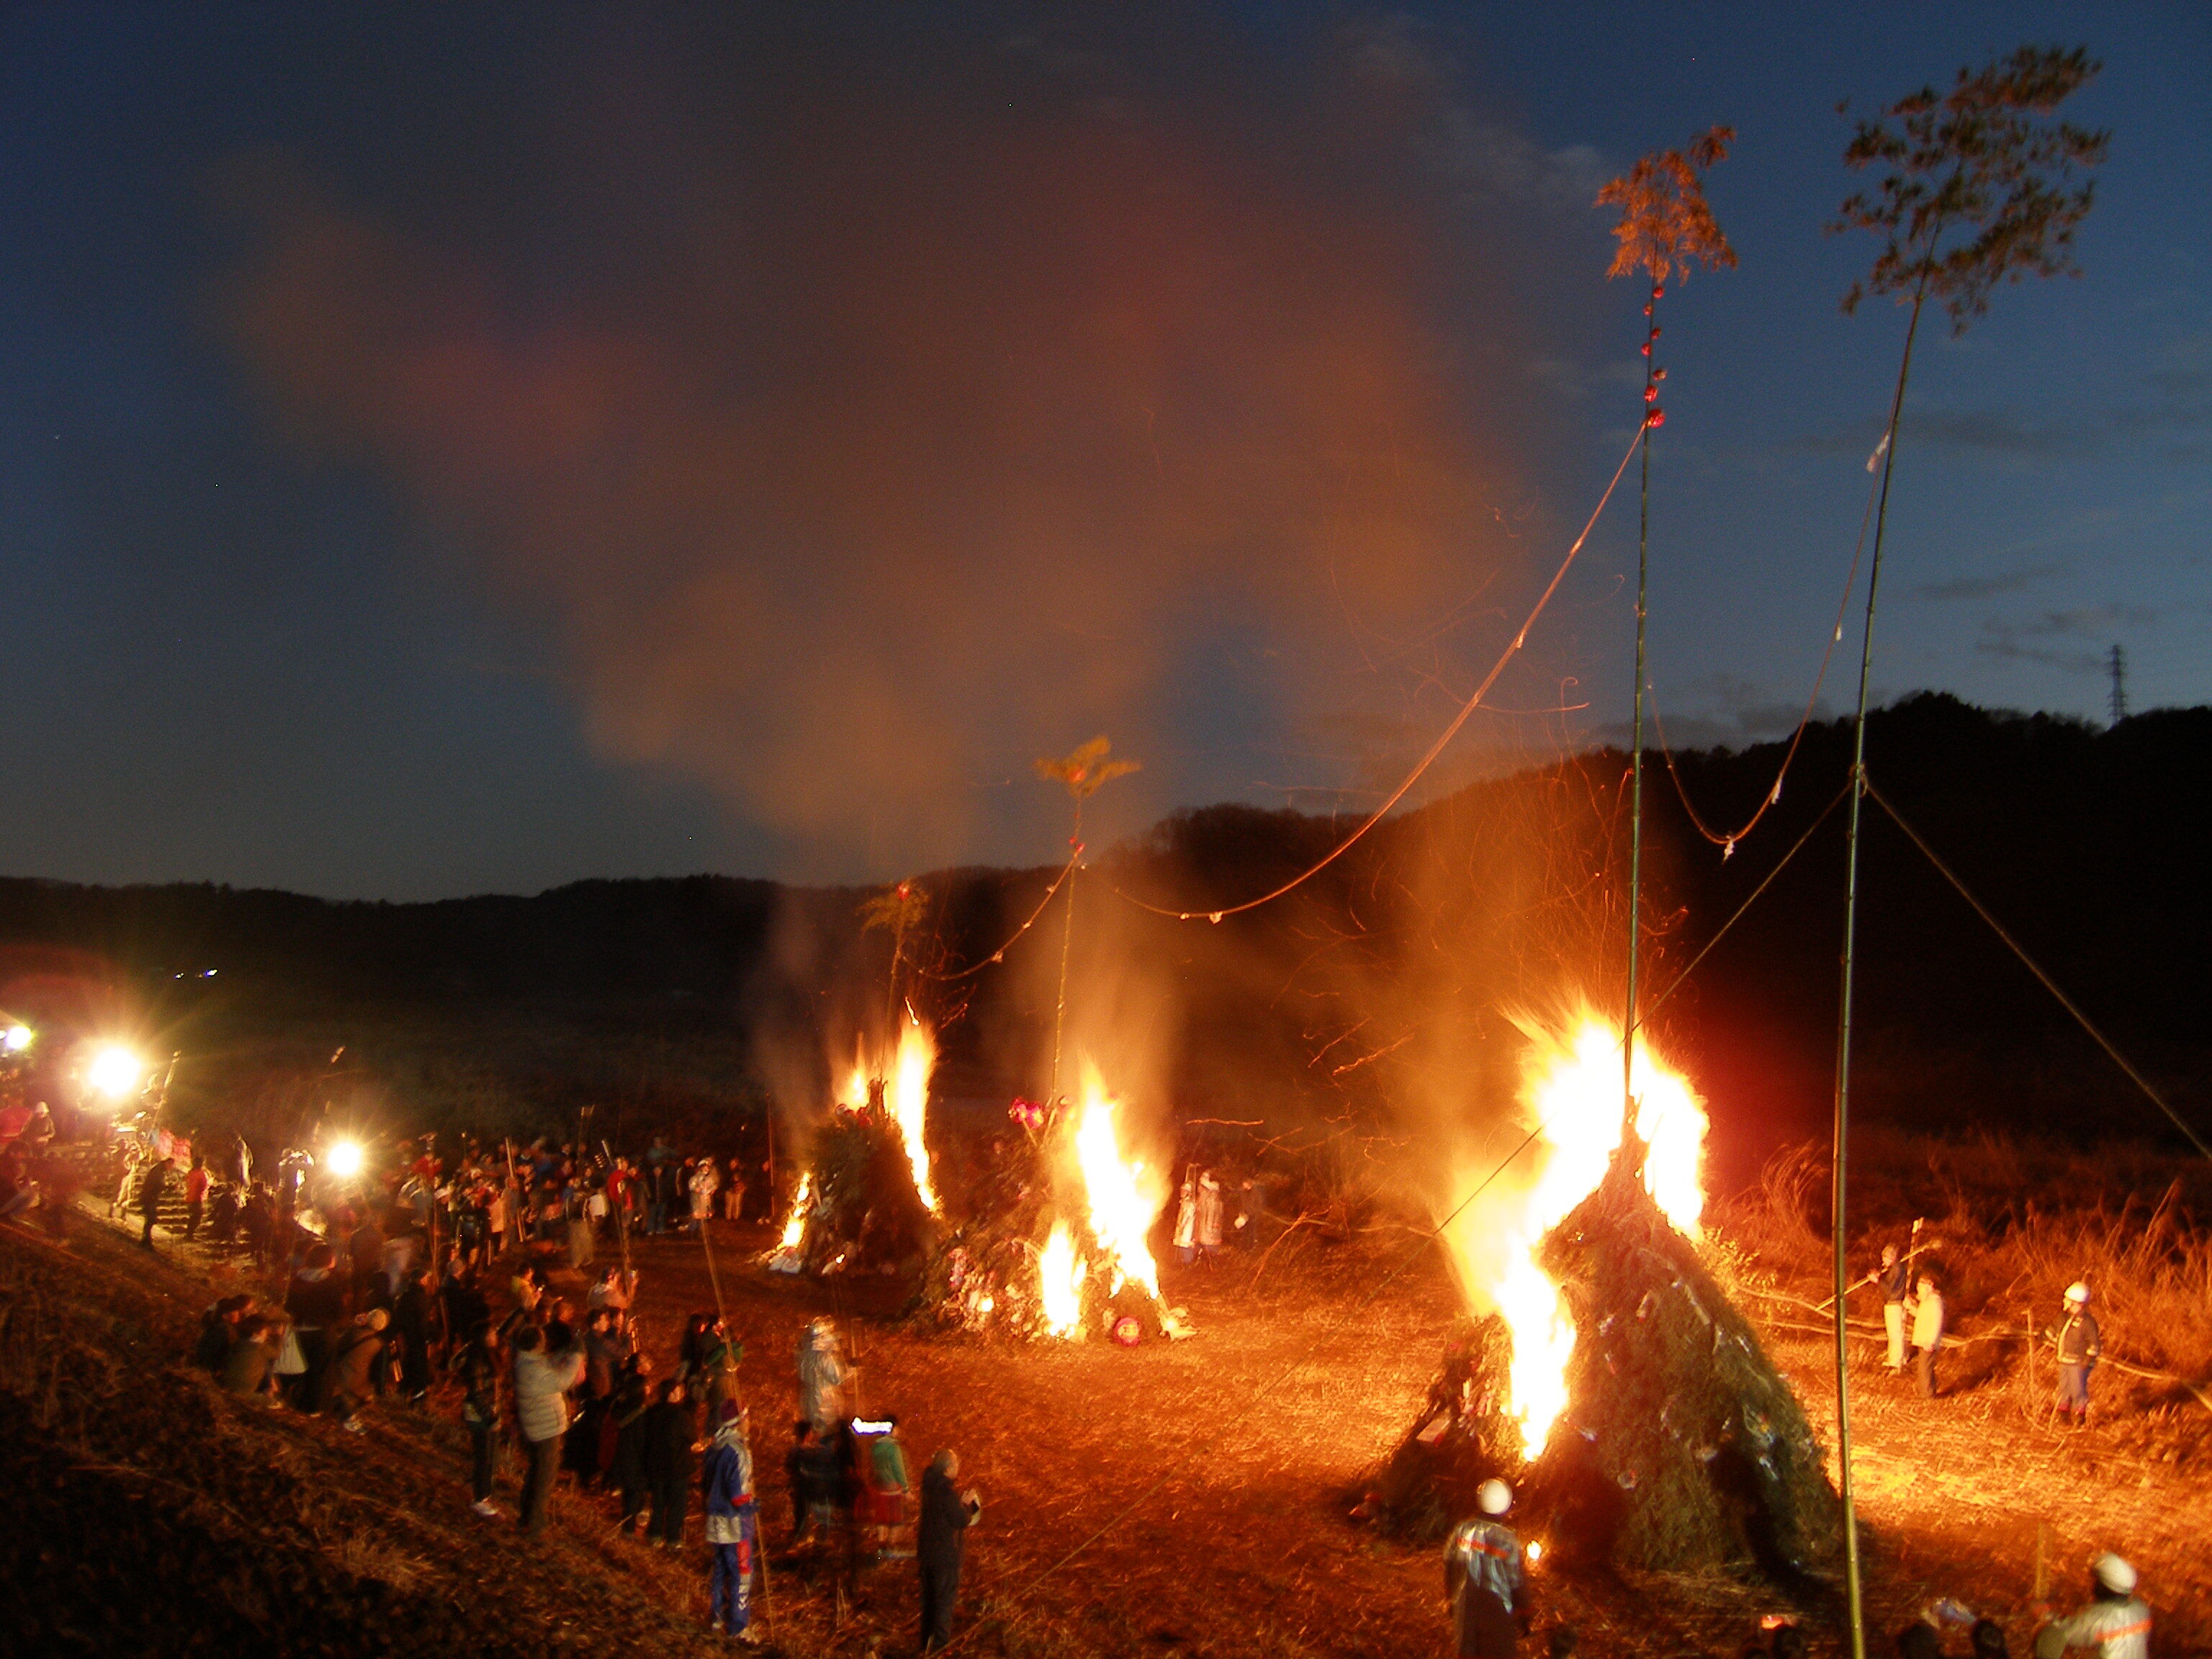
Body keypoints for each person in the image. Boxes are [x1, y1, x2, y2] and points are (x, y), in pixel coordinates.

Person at [513, 1323, 585, 1536]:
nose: (546, 1341)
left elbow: (549, 1363)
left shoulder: (527, 1361)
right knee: (544, 1480)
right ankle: (536, 1525)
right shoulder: (534, 1371)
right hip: (546, 1432)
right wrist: (577, 1356)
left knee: (535, 1474)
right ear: (536, 1344)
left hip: (537, 1428)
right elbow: (563, 1380)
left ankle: (525, 1518)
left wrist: (567, 1350)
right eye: (543, 1339)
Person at [1444, 1478, 1529, 1659]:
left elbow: (1449, 1565)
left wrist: (1451, 1599)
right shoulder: (1508, 1540)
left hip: (1465, 1609)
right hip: (1497, 1613)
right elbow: (1516, 1581)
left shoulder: (1461, 1531)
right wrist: (1526, 1611)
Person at [702, 1400, 761, 1642]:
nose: (749, 1423)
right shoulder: (738, 1451)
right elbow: (737, 1493)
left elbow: (706, 1484)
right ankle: (738, 1627)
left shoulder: (714, 1447)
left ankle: (716, 1617)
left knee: (720, 1570)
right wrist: (752, 1505)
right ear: (738, 1423)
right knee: (742, 1572)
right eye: (746, 1418)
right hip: (736, 1523)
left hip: (715, 1519)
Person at [917, 1448, 981, 1653]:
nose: (958, 1468)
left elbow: (944, 1514)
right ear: (947, 1470)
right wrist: (970, 1506)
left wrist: (958, 1503)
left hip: (927, 1555)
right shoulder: (946, 1493)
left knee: (929, 1603)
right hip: (944, 1558)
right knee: (944, 1604)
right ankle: (940, 1649)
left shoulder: (929, 1486)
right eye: (955, 1465)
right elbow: (961, 1520)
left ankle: (924, 1646)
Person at [2033, 1553, 2150, 1659]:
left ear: (2103, 1587)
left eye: (2096, 1581)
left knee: (2048, 1635)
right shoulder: (2141, 1609)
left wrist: (2044, 1615)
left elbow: (2061, 1631)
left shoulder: (2097, 1620)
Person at [456, 1321, 504, 1519]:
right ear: (484, 1337)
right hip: (480, 1415)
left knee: (489, 1456)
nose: (496, 1336)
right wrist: (490, 1416)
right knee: (483, 1457)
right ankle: (480, 1499)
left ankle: (485, 1494)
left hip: (489, 1412)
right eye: (492, 1334)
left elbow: (507, 1330)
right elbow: (476, 1393)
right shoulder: (476, 1360)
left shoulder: (489, 1355)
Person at [642, 1377, 696, 1550]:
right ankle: (673, 1538)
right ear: (672, 1393)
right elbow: (691, 1438)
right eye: (679, 1390)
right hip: (677, 1466)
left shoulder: (651, 1412)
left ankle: (654, 1535)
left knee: (658, 1501)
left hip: (656, 1464)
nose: (681, 1393)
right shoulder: (681, 1416)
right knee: (676, 1504)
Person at [323, 1308, 389, 1433]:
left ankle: (343, 1413)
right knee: (351, 1398)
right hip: (360, 1385)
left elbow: (337, 1347)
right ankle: (348, 1416)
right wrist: (379, 1390)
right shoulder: (379, 1345)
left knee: (342, 1396)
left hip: (341, 1378)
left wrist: (354, 1325)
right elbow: (380, 1371)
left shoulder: (353, 1333)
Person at [608, 1354, 653, 1535]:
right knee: (635, 1493)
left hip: (623, 1459)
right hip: (636, 1460)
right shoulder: (640, 1414)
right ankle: (628, 1529)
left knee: (629, 1493)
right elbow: (643, 1440)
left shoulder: (624, 1409)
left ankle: (628, 1522)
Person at [2054, 1282, 2101, 1426]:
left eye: (2067, 1300)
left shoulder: (2087, 1322)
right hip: (2065, 1361)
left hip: (2078, 1363)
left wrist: (2087, 1360)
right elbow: (2057, 1332)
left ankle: (2079, 1416)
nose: (2064, 1302)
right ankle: (2063, 1415)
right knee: (2064, 1387)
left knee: (2077, 1388)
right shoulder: (2066, 1318)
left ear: (2076, 1303)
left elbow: (2094, 1344)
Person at [797, 1317, 851, 1431]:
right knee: (828, 1438)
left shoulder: (806, 1355)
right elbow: (838, 1378)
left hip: (810, 1404)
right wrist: (852, 1368)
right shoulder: (825, 1356)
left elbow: (802, 1375)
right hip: (827, 1404)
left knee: (816, 1437)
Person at [1909, 1272, 1946, 1399]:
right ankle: (1929, 1393)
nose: (1918, 1289)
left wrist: (1931, 1341)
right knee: (1925, 1368)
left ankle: (1928, 1396)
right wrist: (1910, 1307)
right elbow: (1921, 1316)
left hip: (1928, 1341)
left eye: (1921, 1286)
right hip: (1923, 1340)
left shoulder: (1935, 1302)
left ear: (1930, 1286)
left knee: (1924, 1369)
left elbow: (1937, 1322)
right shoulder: (1927, 1301)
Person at [1879, 1244, 1910, 1374]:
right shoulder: (1893, 1269)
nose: (1883, 1261)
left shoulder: (1897, 1269)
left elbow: (1891, 1291)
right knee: (1893, 1333)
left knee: (1895, 1334)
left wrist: (1879, 1280)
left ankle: (1897, 1360)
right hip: (1892, 1304)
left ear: (1892, 1258)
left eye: (1885, 1258)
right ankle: (1895, 1357)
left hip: (1895, 1304)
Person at [135, 1154, 169, 1247]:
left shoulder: (159, 1170)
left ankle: (146, 1239)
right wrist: (168, 1187)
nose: (170, 1168)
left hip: (151, 1197)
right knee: (151, 1219)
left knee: (151, 1219)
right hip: (149, 1197)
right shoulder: (158, 1172)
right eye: (170, 1165)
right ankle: (145, 1240)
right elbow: (157, 1185)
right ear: (166, 1163)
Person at [182, 1154, 209, 1241]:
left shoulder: (191, 1173)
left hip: (190, 1197)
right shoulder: (201, 1174)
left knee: (193, 1217)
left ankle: (189, 1234)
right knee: (197, 1217)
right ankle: (190, 1235)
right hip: (198, 1198)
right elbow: (204, 1186)